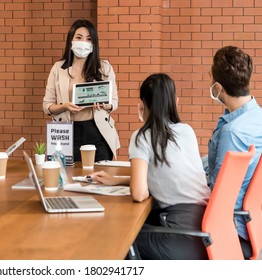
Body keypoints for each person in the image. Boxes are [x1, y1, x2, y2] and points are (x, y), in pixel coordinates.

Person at [89, 73, 211, 259]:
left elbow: (139, 194)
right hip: (204, 233)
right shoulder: (187, 131)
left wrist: (144, 126)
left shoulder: (142, 136)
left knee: (116, 237)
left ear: (142, 104)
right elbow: (165, 176)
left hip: (179, 236)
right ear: (174, 102)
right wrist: (117, 181)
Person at [206, 46, 262, 259]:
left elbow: (220, 194)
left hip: (231, 229)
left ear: (218, 87)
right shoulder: (257, 118)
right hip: (253, 224)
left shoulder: (233, 132)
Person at [43, 19, 120, 162]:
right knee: (68, 177)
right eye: (79, 37)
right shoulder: (58, 68)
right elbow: (47, 106)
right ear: (71, 40)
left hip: (98, 131)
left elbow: (114, 102)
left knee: (100, 177)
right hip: (67, 132)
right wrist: (64, 106)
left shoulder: (104, 67)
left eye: (89, 39)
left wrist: (105, 105)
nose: (83, 42)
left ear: (93, 44)